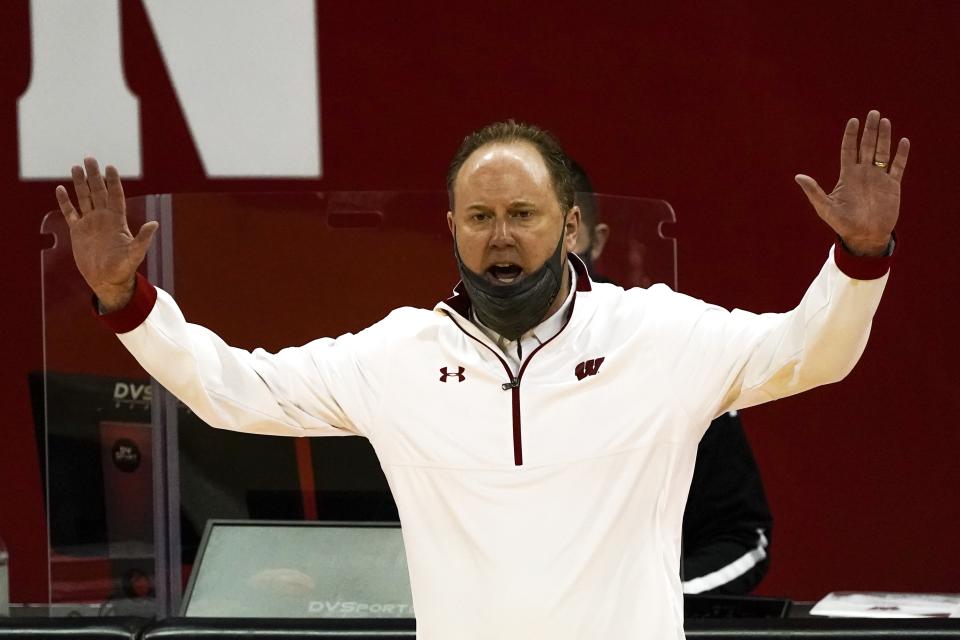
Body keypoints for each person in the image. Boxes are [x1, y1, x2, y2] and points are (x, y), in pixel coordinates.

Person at [55, 112, 907, 640]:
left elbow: (810, 352)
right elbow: (231, 390)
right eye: (482, 217)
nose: (502, 237)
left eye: (524, 215)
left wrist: (860, 259)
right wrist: (129, 301)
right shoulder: (396, 357)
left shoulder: (657, 333)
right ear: (452, 230)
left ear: (570, 225)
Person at [570, 162, 773, 595]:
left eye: (563, 227)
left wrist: (647, 608)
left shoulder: (668, 348)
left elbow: (738, 538)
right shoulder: (441, 360)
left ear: (594, 238)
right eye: (489, 218)